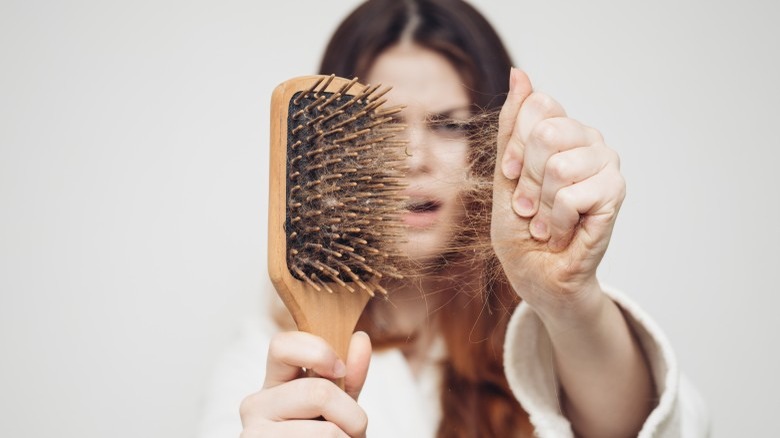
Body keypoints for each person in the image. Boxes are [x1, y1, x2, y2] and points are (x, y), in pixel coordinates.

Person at [199, 0, 709, 436]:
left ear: (492, 149)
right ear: (330, 149)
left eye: (449, 125)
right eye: (384, 126)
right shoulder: (261, 373)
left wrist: (570, 298)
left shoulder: (549, 340)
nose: (413, 157)